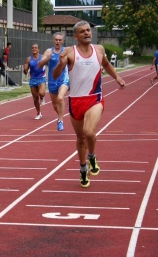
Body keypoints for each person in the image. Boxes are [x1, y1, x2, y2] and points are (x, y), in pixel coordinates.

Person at [53, 20, 126, 188]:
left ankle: (92, 156)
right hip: (76, 101)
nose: (86, 33)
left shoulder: (99, 50)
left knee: (88, 132)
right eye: (82, 31)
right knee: (80, 138)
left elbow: (106, 65)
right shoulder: (70, 52)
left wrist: (117, 78)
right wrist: (60, 63)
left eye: (88, 30)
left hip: (95, 98)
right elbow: (56, 75)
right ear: (76, 36)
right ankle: (83, 168)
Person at [37, 32, 70, 131]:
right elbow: (39, 65)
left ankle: (61, 120)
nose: (58, 42)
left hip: (63, 79)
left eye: (60, 40)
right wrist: (46, 59)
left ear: (62, 41)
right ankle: (60, 115)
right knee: (55, 105)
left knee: (60, 98)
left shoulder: (66, 51)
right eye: (56, 40)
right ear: (53, 41)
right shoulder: (48, 51)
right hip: (52, 81)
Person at [23, 43, 46, 120]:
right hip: (33, 79)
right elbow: (25, 72)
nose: (34, 49)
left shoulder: (43, 57)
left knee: (41, 93)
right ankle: (39, 112)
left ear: (38, 49)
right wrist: (25, 69)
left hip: (41, 78)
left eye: (36, 48)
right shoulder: (29, 59)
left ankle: (42, 97)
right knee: (35, 98)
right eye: (32, 48)